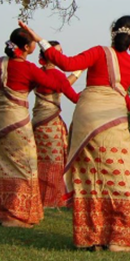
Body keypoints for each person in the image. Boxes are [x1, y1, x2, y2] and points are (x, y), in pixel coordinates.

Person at [17, 17, 130, 252]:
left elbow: (65, 63)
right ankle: (119, 239)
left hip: (86, 117)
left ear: (112, 32)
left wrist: (40, 40)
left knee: (87, 176)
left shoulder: (98, 52)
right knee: (119, 176)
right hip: (112, 118)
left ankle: (88, 238)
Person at [0, 28, 66, 228]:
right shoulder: (29, 68)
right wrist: (61, 69)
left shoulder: (0, 63)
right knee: (26, 164)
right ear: (27, 47)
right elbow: (54, 84)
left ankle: (3, 212)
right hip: (17, 119)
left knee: (4, 163)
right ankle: (17, 215)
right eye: (33, 42)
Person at [32, 41, 80, 209]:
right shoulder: (58, 76)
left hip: (37, 123)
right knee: (55, 162)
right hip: (51, 123)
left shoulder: (36, 73)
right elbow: (73, 96)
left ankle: (38, 197)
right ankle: (53, 199)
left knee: (40, 161)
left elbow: (58, 86)